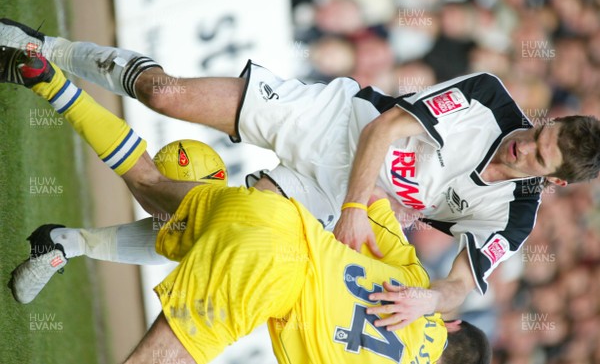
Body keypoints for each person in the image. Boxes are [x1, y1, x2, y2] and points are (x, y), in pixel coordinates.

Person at [2, 18, 599, 329]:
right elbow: (382, 132)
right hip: (335, 124)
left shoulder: (514, 215)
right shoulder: (490, 100)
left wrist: (427, 298)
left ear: (555, 182)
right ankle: (46, 49)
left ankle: (66, 244)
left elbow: (461, 286)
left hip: (330, 198)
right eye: (538, 133)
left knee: (200, 230)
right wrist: (355, 210)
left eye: (539, 157)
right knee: (165, 93)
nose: (523, 145)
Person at [1, 48, 491, 364]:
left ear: (450, 322)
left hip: (280, 216)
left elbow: (377, 208)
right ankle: (54, 72)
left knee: (153, 185)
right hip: (268, 272)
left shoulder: (416, 283)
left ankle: (50, 82)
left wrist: (368, 211)